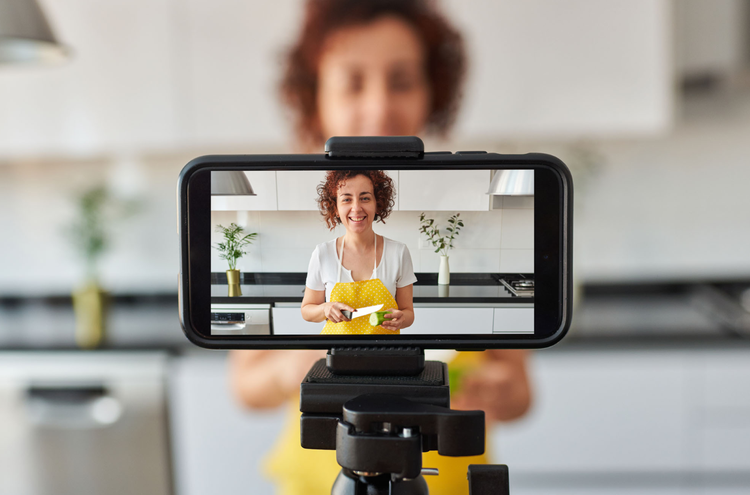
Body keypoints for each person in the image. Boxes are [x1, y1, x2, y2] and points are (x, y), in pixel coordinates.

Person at [229, 1, 532, 494]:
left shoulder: (476, 218)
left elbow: (520, 395)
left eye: (401, 80)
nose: (377, 106)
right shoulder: (282, 226)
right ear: (315, 94)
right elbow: (246, 387)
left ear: (432, 90)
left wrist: (498, 389)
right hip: (318, 481)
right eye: (353, 82)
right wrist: (299, 364)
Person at [302, 169, 415, 335]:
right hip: (337, 355)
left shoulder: (398, 253)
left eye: (365, 198)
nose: (356, 208)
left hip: (386, 354)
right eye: (347, 199)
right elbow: (307, 310)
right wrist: (326, 308)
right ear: (336, 207)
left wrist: (402, 319)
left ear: (378, 203)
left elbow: (408, 313)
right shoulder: (323, 254)